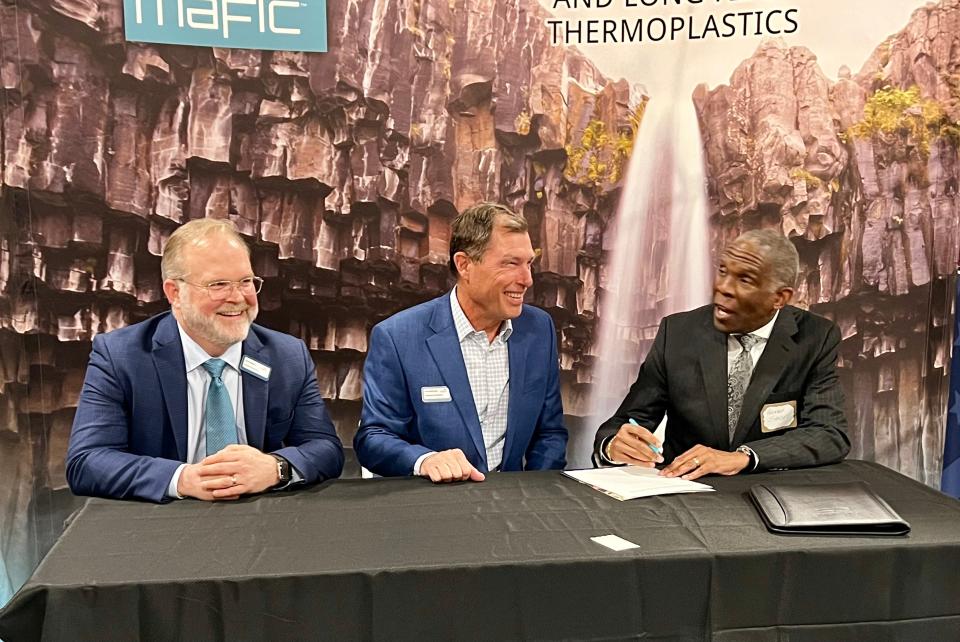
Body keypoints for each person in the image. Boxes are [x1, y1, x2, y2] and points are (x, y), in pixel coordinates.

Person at [66, 219, 344, 502]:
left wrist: (276, 468)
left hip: (261, 521)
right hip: (161, 523)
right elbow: (87, 461)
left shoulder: (287, 356)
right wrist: (182, 479)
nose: (238, 297)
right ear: (174, 292)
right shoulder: (121, 356)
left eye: (246, 282)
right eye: (218, 284)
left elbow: (326, 449)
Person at [594, 229, 850, 479]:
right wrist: (612, 446)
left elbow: (828, 433)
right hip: (688, 495)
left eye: (745, 279)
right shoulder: (678, 332)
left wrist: (742, 458)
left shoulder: (815, 337)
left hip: (771, 494)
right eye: (722, 271)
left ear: (780, 298)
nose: (723, 288)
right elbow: (626, 422)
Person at [355, 202, 568, 482]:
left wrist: (533, 495)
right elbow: (373, 438)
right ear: (464, 265)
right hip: (434, 505)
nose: (527, 279)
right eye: (510, 263)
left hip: (515, 506)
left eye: (529, 263)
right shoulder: (397, 337)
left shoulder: (539, 329)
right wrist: (425, 460)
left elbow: (550, 433)